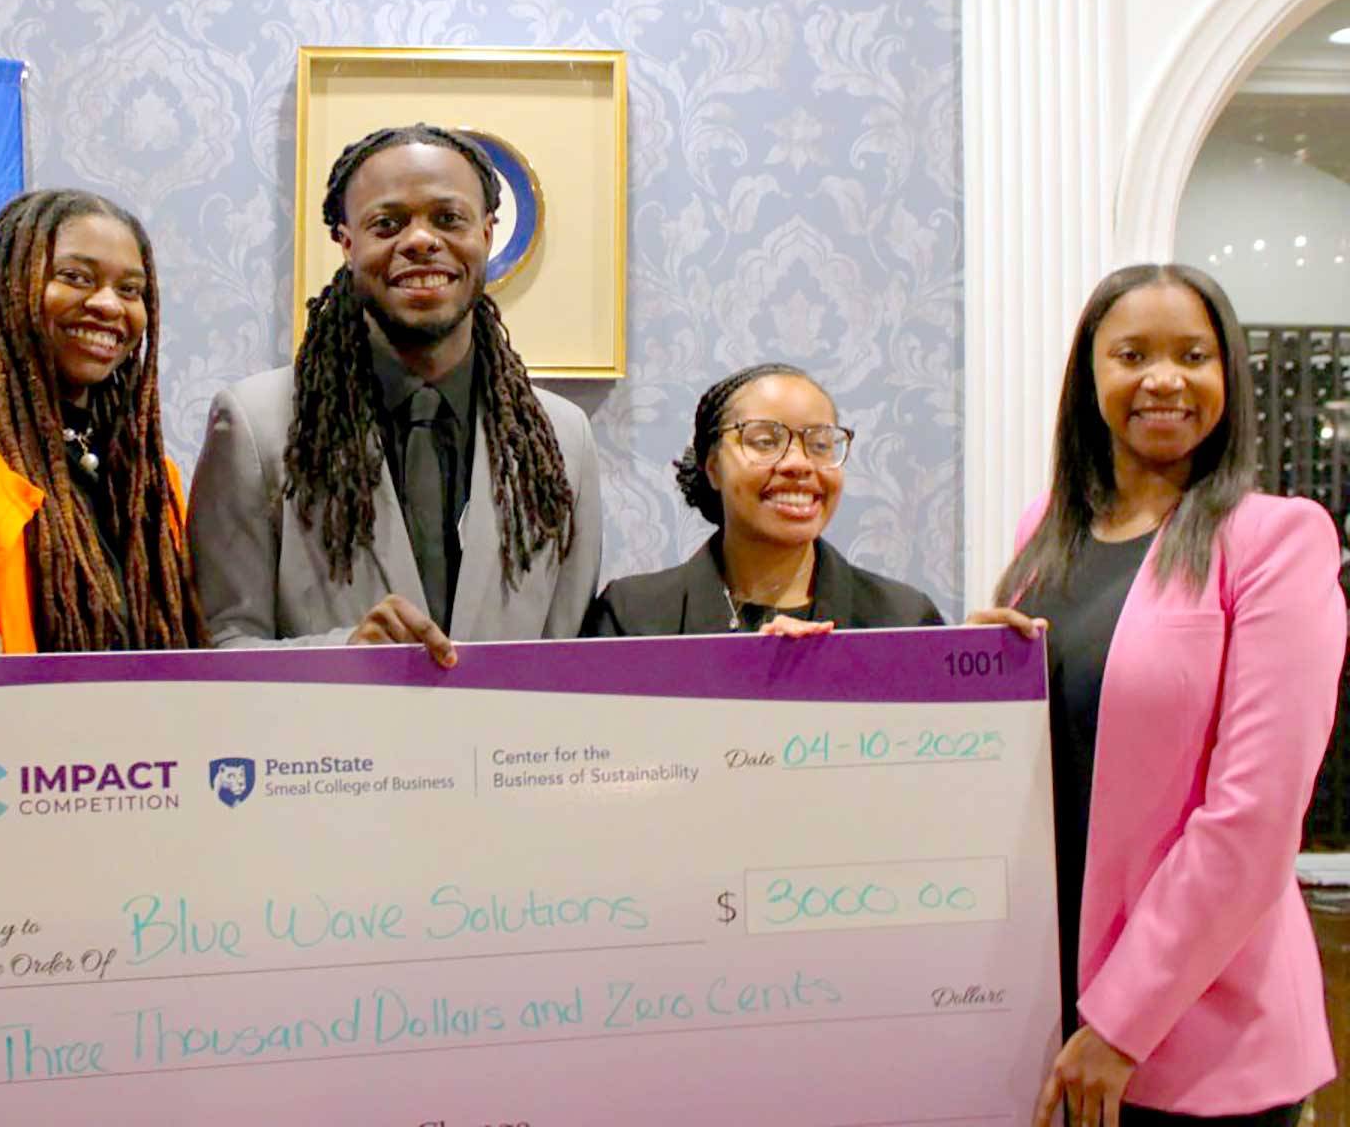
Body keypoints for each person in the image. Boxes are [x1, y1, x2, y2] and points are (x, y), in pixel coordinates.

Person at [971, 264, 1343, 1127]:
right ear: (1090, 377)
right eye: (1133, 354)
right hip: (1045, 1002)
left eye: (1193, 356)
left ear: (1228, 375)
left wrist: (1120, 1023)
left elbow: (1253, 818)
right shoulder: (1046, 531)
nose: (1164, 379)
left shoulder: (1277, 540)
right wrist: (976, 669)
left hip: (1195, 1032)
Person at [0, 188, 204, 924]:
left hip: (131, 839)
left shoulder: (154, 480)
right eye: (75, 277)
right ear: (11, 288)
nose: (108, 306)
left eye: (130, 290)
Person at [187, 124, 601, 660]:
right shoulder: (255, 426)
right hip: (327, 718)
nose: (421, 241)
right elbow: (217, 646)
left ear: (486, 234)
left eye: (448, 219)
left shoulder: (563, 439)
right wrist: (345, 654)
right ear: (347, 243)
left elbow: (569, 657)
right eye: (387, 223)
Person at [583, 363, 941, 636]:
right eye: (766, 442)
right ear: (713, 468)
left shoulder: (904, 620)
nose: (799, 463)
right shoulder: (633, 615)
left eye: (820, 444)